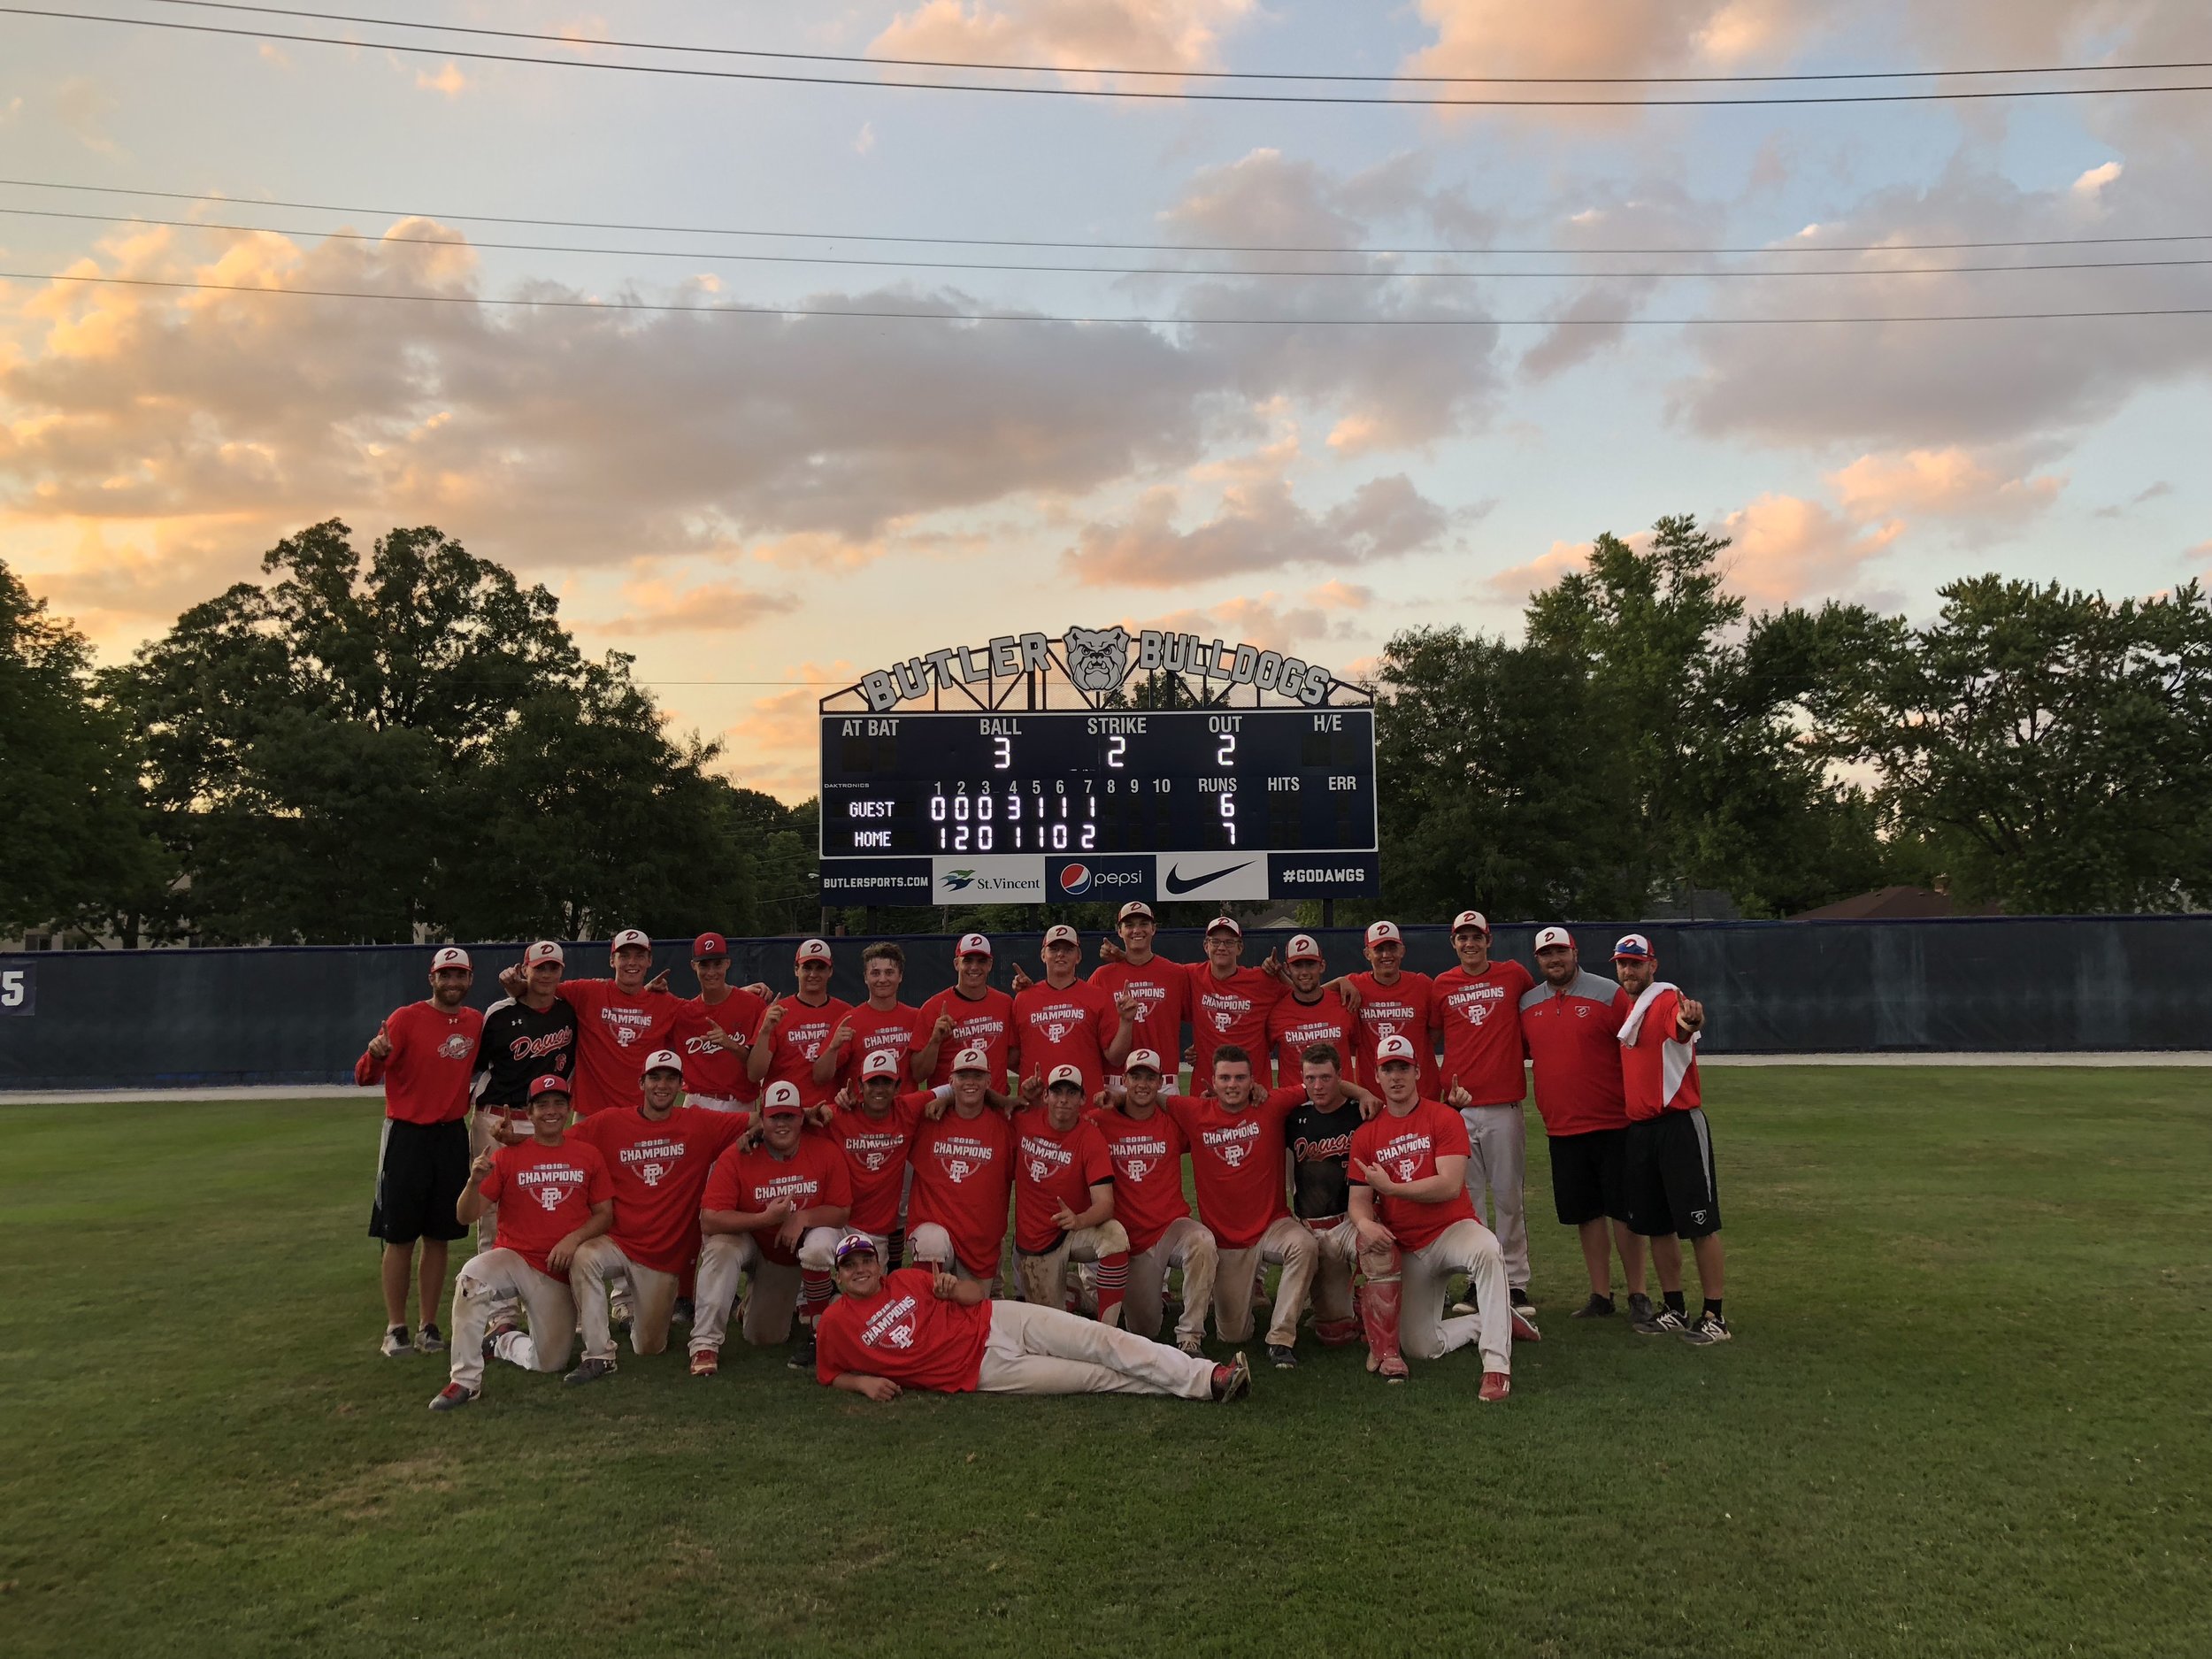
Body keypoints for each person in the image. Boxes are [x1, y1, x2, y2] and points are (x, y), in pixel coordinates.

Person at [816, 1234, 1252, 1402]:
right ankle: (1202, 1390)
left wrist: (953, 1288)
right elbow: (829, 1372)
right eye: (849, 1265)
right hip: (982, 1370)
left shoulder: (907, 1280)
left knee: (1103, 1341)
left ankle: (1209, 1376)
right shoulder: (836, 1323)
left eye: (865, 1261)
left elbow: (970, 1295)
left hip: (997, 1319)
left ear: (877, 1263)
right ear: (838, 1275)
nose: (859, 1270)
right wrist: (864, 1382)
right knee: (1093, 1377)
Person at [564, 1048, 748, 1384]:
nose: (662, 1085)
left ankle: (638, 1317)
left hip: (660, 1258)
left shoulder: (700, 1122)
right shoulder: (609, 1122)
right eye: (655, 1077)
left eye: (670, 1079)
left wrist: (816, 1112)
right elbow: (559, 1142)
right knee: (584, 1257)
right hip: (617, 1241)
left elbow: (767, 1118)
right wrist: (514, 1140)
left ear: (681, 1085)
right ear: (642, 1082)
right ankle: (598, 1353)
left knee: (649, 1347)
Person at [428, 1074, 611, 1410]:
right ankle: (464, 1380)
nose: (551, 1111)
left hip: (556, 1270)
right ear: (529, 1111)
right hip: (514, 1257)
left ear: (570, 1108)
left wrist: (573, 1239)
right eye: (542, 1104)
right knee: (472, 1277)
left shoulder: (587, 1154)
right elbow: (465, 1216)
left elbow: (604, 1215)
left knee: (549, 1362)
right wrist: (473, 1183)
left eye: (559, 1103)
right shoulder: (506, 1157)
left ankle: (503, 1341)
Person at [1348, 1034, 1517, 1401]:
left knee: (1488, 1250)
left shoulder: (1443, 1116)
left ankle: (1496, 1366)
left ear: (1418, 1072)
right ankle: (1487, 1322)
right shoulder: (1366, 1134)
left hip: (1452, 1230)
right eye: (1388, 1069)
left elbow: (1450, 1185)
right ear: (1376, 1076)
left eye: (1403, 1068)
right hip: (1409, 1247)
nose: (1396, 1077)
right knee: (1420, 1346)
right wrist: (1364, 1224)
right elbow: (1359, 1200)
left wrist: (1391, 1189)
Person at [1517, 926, 1652, 1325]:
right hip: (1562, 1128)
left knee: (1624, 1213)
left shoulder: (1609, 993)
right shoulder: (1528, 1003)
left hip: (1613, 1122)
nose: (1554, 960)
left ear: (1575, 953)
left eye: (1561, 952)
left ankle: (1639, 1293)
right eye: (1546, 954)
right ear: (1537, 960)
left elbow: (1637, 1044)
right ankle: (1600, 1294)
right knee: (1586, 1214)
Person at [357, 945, 484, 1359]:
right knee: (399, 1235)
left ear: (469, 980)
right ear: (432, 978)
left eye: (459, 976)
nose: (452, 983)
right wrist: (373, 1055)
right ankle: (396, 1327)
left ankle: (429, 1325)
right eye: (445, 975)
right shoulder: (406, 1018)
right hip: (407, 1136)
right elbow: (365, 1075)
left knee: (440, 1235)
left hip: (450, 1136)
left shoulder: (475, 1022)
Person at [1156, 1045, 1317, 1369]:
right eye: (1225, 1077)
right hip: (1227, 1240)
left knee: (1305, 1245)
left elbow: (1318, 1083)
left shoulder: (1270, 1104)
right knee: (1233, 1335)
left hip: (1273, 1225)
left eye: (1240, 1078)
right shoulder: (1193, 1111)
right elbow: (1147, 1097)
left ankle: (1281, 1339)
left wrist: (1364, 1095)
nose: (1233, 1084)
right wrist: (1116, 1099)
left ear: (1253, 1081)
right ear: (1212, 1081)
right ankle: (1237, 1299)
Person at [689, 1080, 854, 1377]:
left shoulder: (824, 1150)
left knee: (764, 1338)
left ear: (801, 1119)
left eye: (789, 1116)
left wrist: (801, 1216)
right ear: (760, 1120)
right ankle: (705, 1343)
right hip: (749, 1239)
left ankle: (760, 1304)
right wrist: (764, 1220)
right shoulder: (741, 1153)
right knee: (719, 1248)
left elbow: (841, 1211)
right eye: (774, 1117)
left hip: (784, 1253)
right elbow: (709, 1219)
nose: (782, 1124)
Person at [1612, 933, 1729, 1345]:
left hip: (1678, 1124)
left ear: (1652, 965)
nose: (1629, 970)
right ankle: (1675, 1308)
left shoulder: (1665, 998)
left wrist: (1691, 1020)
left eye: (1636, 963)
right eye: (1622, 964)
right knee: (1657, 1225)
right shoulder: (1630, 1007)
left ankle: (1714, 1315)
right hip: (1642, 1130)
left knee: (1700, 1224)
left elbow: (1683, 1024)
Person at [1432, 910, 1539, 1318]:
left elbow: (1531, 1019)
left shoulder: (1514, 975)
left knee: (1509, 1196)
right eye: (1462, 938)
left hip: (1502, 1105)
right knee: (1469, 1201)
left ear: (1489, 940)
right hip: (1459, 1107)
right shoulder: (1442, 985)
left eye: (1476, 936)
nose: (1469, 944)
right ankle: (1478, 1278)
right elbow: (1432, 1034)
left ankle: (1515, 1283)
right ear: (1454, 943)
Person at [1087, 1049, 1217, 1355]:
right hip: (1129, 1240)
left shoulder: (1173, 1121)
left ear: (1160, 1083)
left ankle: (1190, 1337)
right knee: (1144, 1329)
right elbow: (1065, 1125)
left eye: (1150, 1078)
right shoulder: (1101, 1121)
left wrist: (1214, 1103)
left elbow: (1214, 1122)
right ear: (1124, 1081)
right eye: (1135, 1077)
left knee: (1203, 1241)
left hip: (1170, 1227)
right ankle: (1087, 1290)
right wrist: (1113, 1100)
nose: (1142, 1084)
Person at [1279, 1044, 1389, 1364]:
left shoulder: (1362, 1113)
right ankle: (1348, 1301)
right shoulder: (1294, 1117)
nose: (1318, 1086)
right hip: (1312, 1228)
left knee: (1381, 1252)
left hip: (1350, 1221)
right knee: (1335, 1335)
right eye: (1311, 1079)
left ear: (1341, 1077)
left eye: (1326, 1078)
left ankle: (1383, 1327)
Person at [504, 929, 680, 1118]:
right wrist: (511, 983)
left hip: (642, 1113)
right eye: (624, 956)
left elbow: (701, 1014)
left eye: (639, 956)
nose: (632, 962)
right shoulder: (588, 992)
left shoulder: (667, 1004)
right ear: (612, 960)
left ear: (650, 961)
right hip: (591, 1113)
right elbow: (540, 990)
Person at [1011, 1064, 1131, 1326]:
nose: (1064, 1099)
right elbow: (986, 1103)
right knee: (1048, 1329)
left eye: (1072, 1093)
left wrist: (1079, 1220)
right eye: (1057, 1092)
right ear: (1046, 1096)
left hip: (1074, 1230)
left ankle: (1107, 1331)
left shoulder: (1090, 1136)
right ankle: (1075, 1294)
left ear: (1083, 1099)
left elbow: (1105, 1203)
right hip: (1036, 1237)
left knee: (1115, 1236)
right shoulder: (1024, 1121)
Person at [904, 1046, 1016, 1289]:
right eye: (963, 1076)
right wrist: (941, 1099)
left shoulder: (1005, 1128)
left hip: (980, 1245)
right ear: (950, 1081)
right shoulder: (928, 1121)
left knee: (973, 1314)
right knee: (931, 1245)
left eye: (977, 1076)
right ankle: (925, 1307)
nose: (970, 1083)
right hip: (936, 1231)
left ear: (989, 1081)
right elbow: (891, 1111)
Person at [823, 1048, 941, 1261]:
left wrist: (943, 1100)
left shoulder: (907, 1108)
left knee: (874, 1286)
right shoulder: (840, 1114)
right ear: (860, 1086)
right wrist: (813, 1111)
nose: (879, 1089)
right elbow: (792, 1119)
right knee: (815, 1251)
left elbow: (957, 1087)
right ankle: (821, 1293)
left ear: (897, 1087)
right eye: (872, 1082)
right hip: (837, 1219)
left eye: (886, 1082)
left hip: (876, 1226)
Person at [1011, 924, 1141, 1097]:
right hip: (1036, 1104)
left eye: (1068, 949)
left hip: (1084, 1103)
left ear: (1078, 956)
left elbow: (1116, 1058)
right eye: (1054, 949)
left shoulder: (1097, 996)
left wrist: (1126, 1021)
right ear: (1043, 955)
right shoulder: (1023, 999)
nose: (1060, 954)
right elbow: (1012, 1057)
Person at [1087, 902, 1190, 1083]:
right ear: (1119, 931)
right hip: (1117, 1080)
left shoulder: (1176, 974)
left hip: (1163, 1081)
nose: (1137, 930)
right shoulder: (1102, 977)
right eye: (1129, 925)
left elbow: (1205, 1012)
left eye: (1143, 924)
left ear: (1154, 929)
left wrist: (1201, 1048)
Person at [668, 931, 766, 1114]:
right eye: (704, 965)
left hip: (739, 1104)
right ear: (693, 966)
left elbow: (758, 1070)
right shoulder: (682, 1013)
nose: (711, 972)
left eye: (718, 964)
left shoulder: (753, 1005)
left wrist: (731, 1044)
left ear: (728, 963)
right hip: (696, 1103)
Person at [748, 938, 853, 1110]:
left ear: (830, 971)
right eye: (807, 967)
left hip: (829, 1111)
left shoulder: (845, 1013)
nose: (813, 974)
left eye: (820, 968)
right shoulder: (777, 1012)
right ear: (796, 970)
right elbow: (754, 1074)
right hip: (783, 1111)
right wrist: (765, 1031)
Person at [1345, 920, 1440, 1099]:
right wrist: (1338, 982)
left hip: (1422, 1093)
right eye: (1379, 949)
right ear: (1367, 954)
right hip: (1374, 1097)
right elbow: (1309, 996)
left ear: (1402, 950)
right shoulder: (1355, 985)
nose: (1386, 955)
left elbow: (1434, 1033)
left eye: (1392, 948)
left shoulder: (1423, 985)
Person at [912, 933, 1019, 1090]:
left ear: (990, 965)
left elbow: (1013, 1056)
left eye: (981, 961)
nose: (974, 967)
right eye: (967, 960)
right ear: (956, 963)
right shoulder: (933, 1007)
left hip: (994, 1109)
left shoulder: (1005, 1003)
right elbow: (918, 1074)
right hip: (949, 1109)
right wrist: (935, 1041)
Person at [819, 941, 929, 1094]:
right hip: (863, 1113)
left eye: (889, 972)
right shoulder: (850, 1020)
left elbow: (922, 1074)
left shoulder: (916, 1017)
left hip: (904, 1113)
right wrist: (833, 1048)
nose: (883, 979)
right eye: (875, 973)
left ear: (900, 976)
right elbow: (820, 1076)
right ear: (865, 977)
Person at [1265, 934, 1358, 1091]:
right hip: (1296, 1107)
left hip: (1341, 1104)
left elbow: (1362, 1049)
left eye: (1310, 964)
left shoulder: (1344, 1003)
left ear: (1322, 966)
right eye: (1297, 965)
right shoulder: (1276, 1012)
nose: (1304, 972)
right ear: (1287, 968)